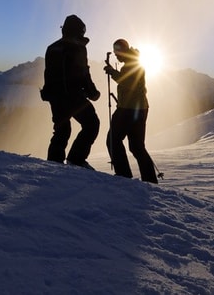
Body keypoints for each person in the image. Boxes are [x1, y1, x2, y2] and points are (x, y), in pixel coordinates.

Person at [40, 15, 101, 168]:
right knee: (92, 124)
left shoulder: (52, 48)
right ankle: (76, 159)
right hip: (73, 96)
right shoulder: (78, 47)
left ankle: (54, 164)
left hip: (55, 96)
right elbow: (84, 73)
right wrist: (93, 93)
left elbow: (49, 73)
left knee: (62, 130)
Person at [103, 38, 159, 183]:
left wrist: (112, 72)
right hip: (139, 109)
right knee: (137, 147)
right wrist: (114, 72)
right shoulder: (134, 62)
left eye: (117, 52)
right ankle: (150, 180)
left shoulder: (133, 64)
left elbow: (128, 82)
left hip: (128, 110)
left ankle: (124, 175)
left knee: (113, 140)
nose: (116, 55)